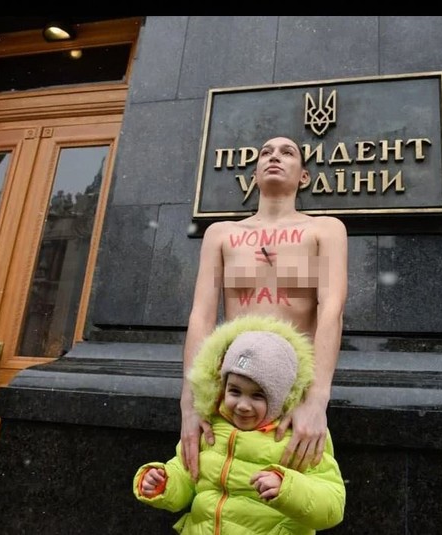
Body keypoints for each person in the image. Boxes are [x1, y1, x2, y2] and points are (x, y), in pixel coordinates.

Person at [181, 135, 348, 481]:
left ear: (304, 176)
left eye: (287, 152)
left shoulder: (325, 230)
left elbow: (332, 311)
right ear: (254, 174)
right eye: (266, 153)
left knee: (286, 495)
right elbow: (202, 316)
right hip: (232, 391)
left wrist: (317, 401)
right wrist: (190, 402)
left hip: (292, 397)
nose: (275, 157)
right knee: (216, 492)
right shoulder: (221, 234)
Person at [134, 315, 346, 533]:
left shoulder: (299, 436)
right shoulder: (210, 426)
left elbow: (332, 504)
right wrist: (163, 482)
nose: (243, 405)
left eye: (258, 396)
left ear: (280, 397)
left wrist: (288, 489)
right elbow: (186, 476)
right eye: (235, 391)